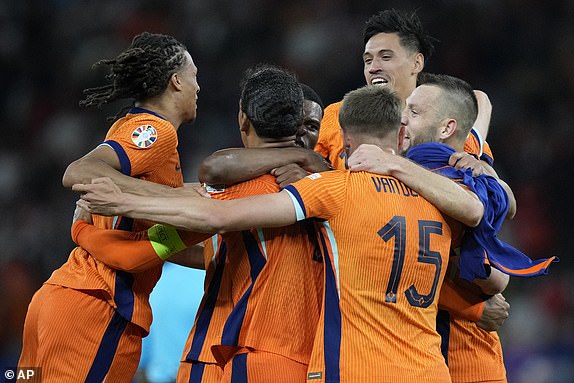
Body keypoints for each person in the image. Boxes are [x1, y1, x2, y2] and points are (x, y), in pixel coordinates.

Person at [75, 85, 494, 382]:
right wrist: (474, 308)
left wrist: (118, 204)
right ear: (400, 136)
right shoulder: (445, 199)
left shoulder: (330, 192)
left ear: (341, 139)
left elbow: (210, 213)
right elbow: (493, 267)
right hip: (423, 369)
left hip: (334, 365)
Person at [73, 65, 325, 383]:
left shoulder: (232, 194)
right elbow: (198, 237)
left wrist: (103, 216)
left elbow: (196, 214)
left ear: (243, 120)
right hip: (252, 357)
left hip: (235, 356)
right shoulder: (330, 192)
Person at [17, 32, 205, 383]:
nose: (199, 88)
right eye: (195, 76)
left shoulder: (134, 132)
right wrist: (173, 199)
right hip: (97, 310)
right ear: (176, 80)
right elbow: (79, 171)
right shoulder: (156, 131)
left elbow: (152, 244)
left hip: (58, 303)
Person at [348, 74, 557, 383]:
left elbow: (495, 275)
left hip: (462, 355)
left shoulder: (450, 168)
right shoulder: (392, 165)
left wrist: (489, 174)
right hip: (422, 354)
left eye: (414, 111)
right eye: (405, 108)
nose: (404, 117)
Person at [197, 82, 330, 188]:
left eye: (311, 126)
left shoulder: (327, 174)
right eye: (294, 121)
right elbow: (212, 168)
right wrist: (303, 156)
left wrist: (313, 189)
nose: (301, 130)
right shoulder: (234, 173)